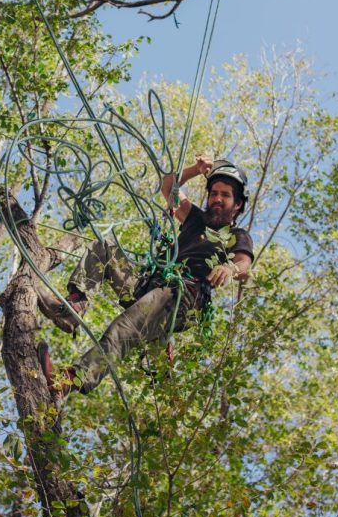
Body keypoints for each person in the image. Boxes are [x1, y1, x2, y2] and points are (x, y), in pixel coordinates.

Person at [38, 157, 254, 404]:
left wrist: (229, 268)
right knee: (104, 249)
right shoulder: (195, 219)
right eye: (213, 193)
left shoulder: (237, 236)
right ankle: (73, 307)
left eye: (225, 195)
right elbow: (168, 185)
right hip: (149, 285)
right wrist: (196, 170)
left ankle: (68, 381)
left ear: (237, 204)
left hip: (181, 297)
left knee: (124, 329)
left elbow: (244, 264)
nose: (217, 199)